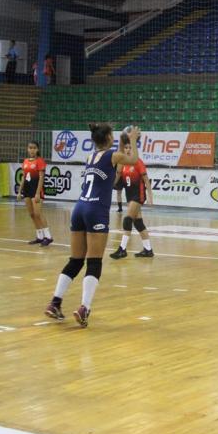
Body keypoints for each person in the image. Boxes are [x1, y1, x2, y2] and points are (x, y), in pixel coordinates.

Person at [44, 124, 140, 327]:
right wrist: (132, 139)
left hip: (79, 208)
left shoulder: (91, 157)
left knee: (75, 261)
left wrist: (121, 146)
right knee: (94, 262)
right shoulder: (113, 156)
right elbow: (132, 160)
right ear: (107, 137)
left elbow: (113, 178)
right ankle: (84, 308)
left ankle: (55, 303)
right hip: (96, 210)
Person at [110, 137, 154, 259]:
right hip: (130, 196)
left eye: (130, 147)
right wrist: (109, 186)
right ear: (123, 149)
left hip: (138, 195)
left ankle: (122, 249)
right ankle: (148, 250)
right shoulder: (122, 163)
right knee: (138, 223)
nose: (128, 150)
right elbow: (117, 177)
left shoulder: (138, 162)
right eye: (126, 148)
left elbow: (146, 180)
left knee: (127, 219)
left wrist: (150, 196)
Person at [17, 140, 53, 246]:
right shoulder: (25, 161)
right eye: (30, 148)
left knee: (38, 213)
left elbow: (41, 178)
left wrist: (38, 193)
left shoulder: (40, 161)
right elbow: (23, 177)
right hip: (27, 190)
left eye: (34, 148)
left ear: (37, 149)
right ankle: (40, 236)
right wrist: (19, 191)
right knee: (32, 214)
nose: (32, 150)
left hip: (36, 190)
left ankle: (48, 236)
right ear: (27, 149)